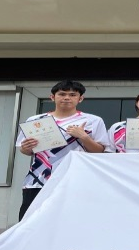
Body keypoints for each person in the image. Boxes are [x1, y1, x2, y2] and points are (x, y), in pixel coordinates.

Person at [15, 80, 111, 220]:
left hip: (76, 180)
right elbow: (25, 150)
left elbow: (100, 152)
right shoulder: (35, 120)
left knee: (73, 221)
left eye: (72, 95)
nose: (67, 98)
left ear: (80, 98)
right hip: (38, 179)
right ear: (52, 97)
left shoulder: (93, 120)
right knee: (30, 221)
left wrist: (84, 137)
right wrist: (26, 148)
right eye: (62, 94)